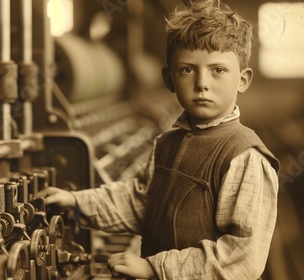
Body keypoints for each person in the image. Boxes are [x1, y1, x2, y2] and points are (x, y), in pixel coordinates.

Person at [39, 1, 280, 279]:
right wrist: (77, 201)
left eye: (218, 70)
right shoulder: (167, 143)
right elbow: (141, 202)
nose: (202, 83)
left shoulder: (244, 156)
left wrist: (155, 267)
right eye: (187, 69)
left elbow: (242, 258)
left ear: (243, 80)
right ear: (168, 79)